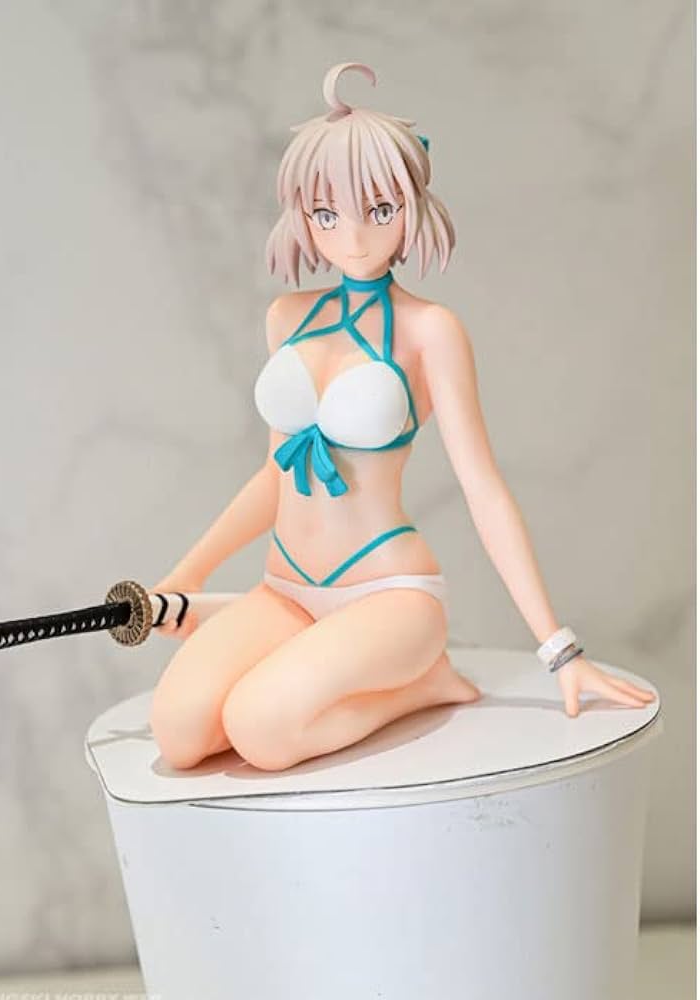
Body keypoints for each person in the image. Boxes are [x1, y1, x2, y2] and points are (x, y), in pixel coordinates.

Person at [148, 62, 655, 772]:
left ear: (411, 206)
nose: (353, 236)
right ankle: (311, 668)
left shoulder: (429, 331)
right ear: (302, 215)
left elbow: (482, 487)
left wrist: (559, 649)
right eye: (327, 214)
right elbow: (274, 476)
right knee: (178, 733)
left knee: (260, 731)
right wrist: (187, 574)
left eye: (379, 210)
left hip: (389, 596)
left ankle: (423, 683)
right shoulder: (287, 317)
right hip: (284, 589)